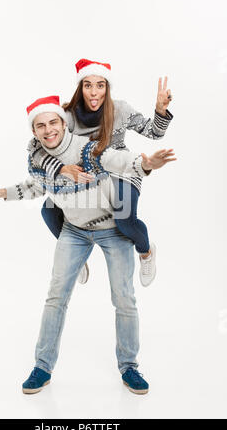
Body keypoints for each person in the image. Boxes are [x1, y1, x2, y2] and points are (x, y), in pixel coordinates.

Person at [0, 96, 176, 395]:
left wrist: (145, 163)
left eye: (53, 122)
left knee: (124, 299)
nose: (48, 129)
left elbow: (115, 159)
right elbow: (35, 186)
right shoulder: (39, 160)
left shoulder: (87, 148)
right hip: (74, 233)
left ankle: (129, 366)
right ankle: (42, 366)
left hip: (111, 230)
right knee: (55, 298)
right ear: (34, 132)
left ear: (63, 124)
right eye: (40, 125)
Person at [27, 58, 174, 287]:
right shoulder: (67, 117)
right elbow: (36, 147)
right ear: (80, 88)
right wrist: (62, 168)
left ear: (107, 87)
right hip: (86, 179)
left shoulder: (120, 110)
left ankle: (146, 252)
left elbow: (153, 133)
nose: (94, 92)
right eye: (88, 85)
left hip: (123, 171)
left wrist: (160, 111)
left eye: (100, 85)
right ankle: (76, 257)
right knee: (49, 210)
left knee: (124, 219)